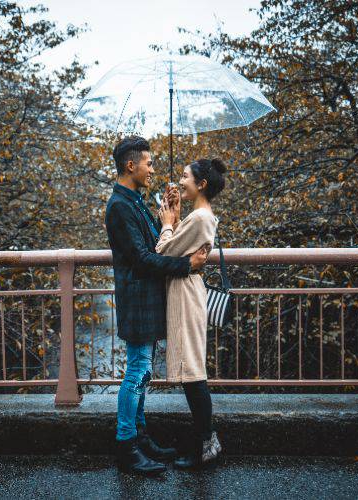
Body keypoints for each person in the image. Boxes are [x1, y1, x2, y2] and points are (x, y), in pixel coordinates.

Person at [104, 136, 209, 475]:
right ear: (131, 165)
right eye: (148, 163)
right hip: (138, 300)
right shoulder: (119, 206)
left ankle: (140, 437)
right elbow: (143, 259)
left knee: (142, 372)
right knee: (136, 372)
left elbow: (159, 245)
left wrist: (171, 215)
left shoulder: (135, 201)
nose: (152, 169)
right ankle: (126, 445)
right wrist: (186, 266)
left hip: (147, 299)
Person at [155, 157, 228, 468]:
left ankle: (206, 443)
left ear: (201, 184)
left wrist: (168, 223)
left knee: (193, 373)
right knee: (192, 371)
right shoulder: (199, 216)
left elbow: (162, 252)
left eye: (185, 177)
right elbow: (180, 250)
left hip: (186, 294)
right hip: (187, 291)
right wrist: (177, 216)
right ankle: (204, 441)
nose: (180, 181)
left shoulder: (199, 219)